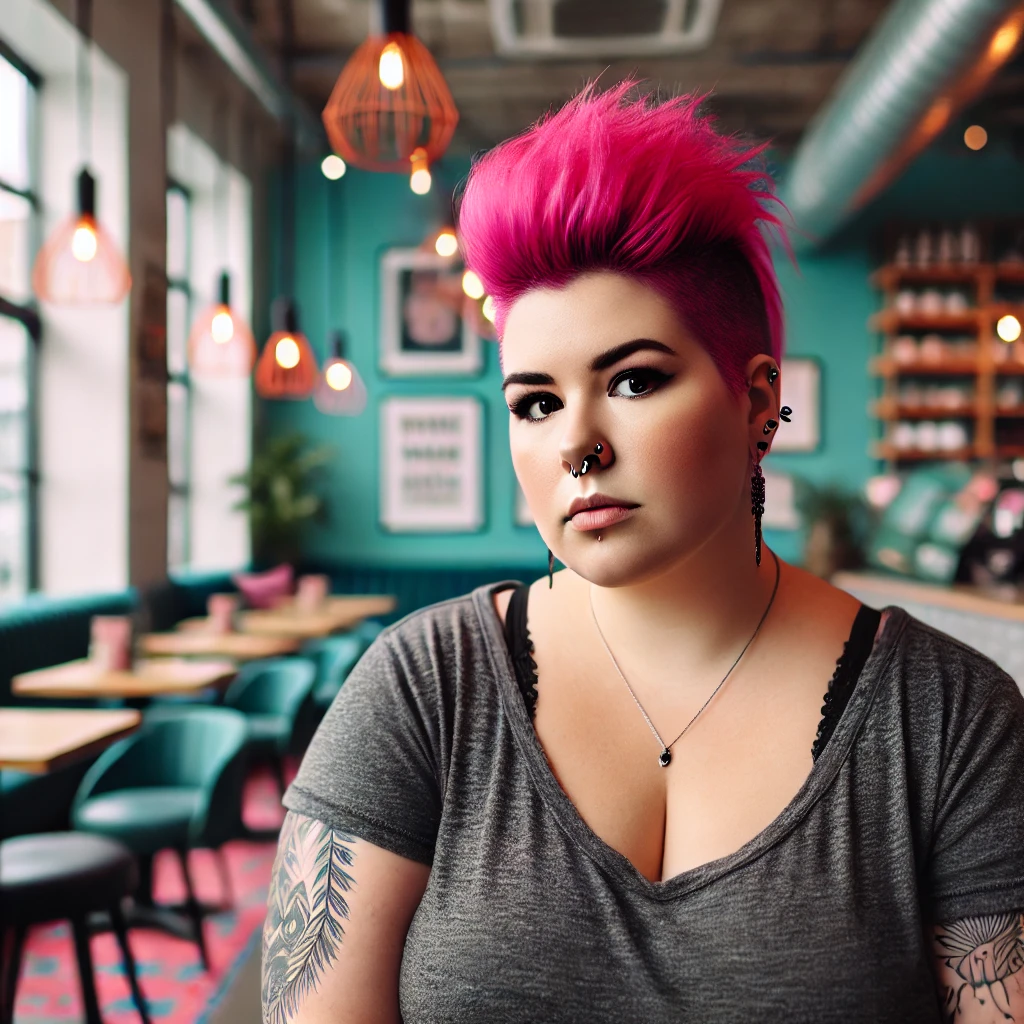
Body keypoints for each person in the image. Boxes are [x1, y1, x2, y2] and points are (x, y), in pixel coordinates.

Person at [261, 81, 1024, 1023]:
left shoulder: (949, 721)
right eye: (535, 402)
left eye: (632, 380)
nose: (577, 444)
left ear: (756, 402)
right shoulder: (422, 691)